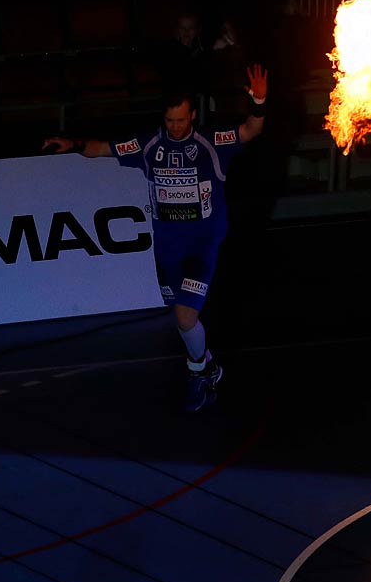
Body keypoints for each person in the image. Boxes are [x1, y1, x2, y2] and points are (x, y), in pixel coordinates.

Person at [41, 65, 268, 412]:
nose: (175, 127)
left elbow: (251, 131)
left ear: (192, 115)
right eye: (170, 121)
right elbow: (102, 148)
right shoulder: (148, 144)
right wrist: (73, 143)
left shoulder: (211, 144)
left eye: (181, 120)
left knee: (185, 316)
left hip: (202, 244)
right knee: (178, 313)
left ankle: (198, 374)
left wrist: (259, 101)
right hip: (166, 248)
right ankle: (208, 366)